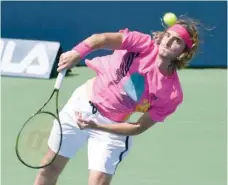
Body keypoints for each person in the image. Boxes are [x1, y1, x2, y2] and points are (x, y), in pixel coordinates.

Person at [34, 17, 200, 185]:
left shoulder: (172, 93)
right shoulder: (142, 43)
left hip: (111, 128)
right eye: (168, 36)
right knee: (49, 170)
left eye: (177, 41)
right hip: (80, 106)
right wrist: (76, 53)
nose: (169, 41)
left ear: (184, 52)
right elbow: (102, 39)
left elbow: (139, 127)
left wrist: (97, 126)